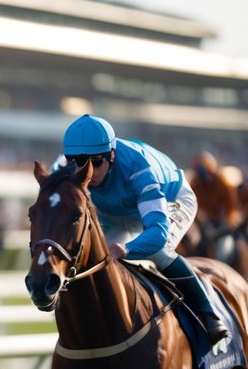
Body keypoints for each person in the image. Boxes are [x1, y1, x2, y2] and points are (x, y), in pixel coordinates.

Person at [59, 114, 227, 342]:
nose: (88, 171)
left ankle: (208, 313)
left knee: (159, 251)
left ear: (111, 155)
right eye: (77, 162)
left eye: (96, 162)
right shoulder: (63, 167)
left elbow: (157, 233)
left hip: (170, 199)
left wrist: (126, 249)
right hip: (118, 212)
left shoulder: (138, 168)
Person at [188, 151, 243, 250]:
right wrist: (203, 221)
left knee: (228, 247)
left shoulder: (222, 181)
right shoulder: (195, 183)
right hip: (205, 225)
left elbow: (232, 209)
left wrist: (225, 225)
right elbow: (192, 205)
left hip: (223, 224)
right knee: (195, 245)